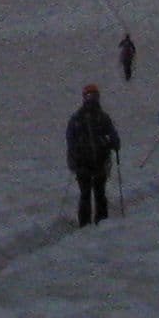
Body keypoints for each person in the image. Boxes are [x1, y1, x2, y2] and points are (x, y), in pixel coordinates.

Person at [65, 81, 121, 228]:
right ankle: (101, 223)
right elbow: (113, 135)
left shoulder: (77, 118)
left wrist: (72, 160)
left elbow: (70, 140)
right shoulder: (102, 117)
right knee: (99, 193)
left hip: (83, 162)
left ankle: (85, 224)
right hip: (99, 161)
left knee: (86, 194)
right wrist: (114, 144)